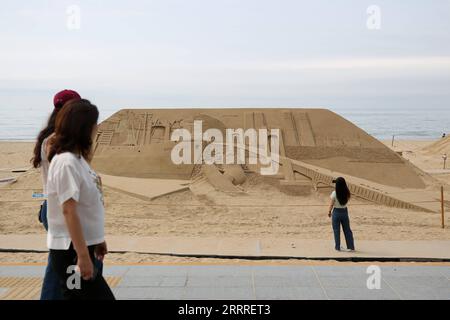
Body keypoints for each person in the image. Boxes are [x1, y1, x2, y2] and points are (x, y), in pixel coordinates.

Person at [46, 99, 114, 300]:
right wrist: (82, 255)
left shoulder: (77, 160)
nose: (97, 128)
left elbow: (87, 205)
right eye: (94, 123)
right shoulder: (66, 162)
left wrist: (97, 239)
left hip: (83, 247)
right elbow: (69, 210)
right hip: (71, 251)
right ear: (83, 127)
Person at [31, 89, 87, 300]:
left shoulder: (50, 137)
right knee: (61, 266)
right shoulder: (57, 141)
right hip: (61, 209)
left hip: (54, 207)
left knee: (58, 264)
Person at [327, 177, 355, 252]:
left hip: (336, 212)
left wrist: (329, 212)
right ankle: (351, 246)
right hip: (344, 212)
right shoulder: (347, 193)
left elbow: (331, 204)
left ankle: (337, 247)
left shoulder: (334, 193)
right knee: (347, 230)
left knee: (336, 230)